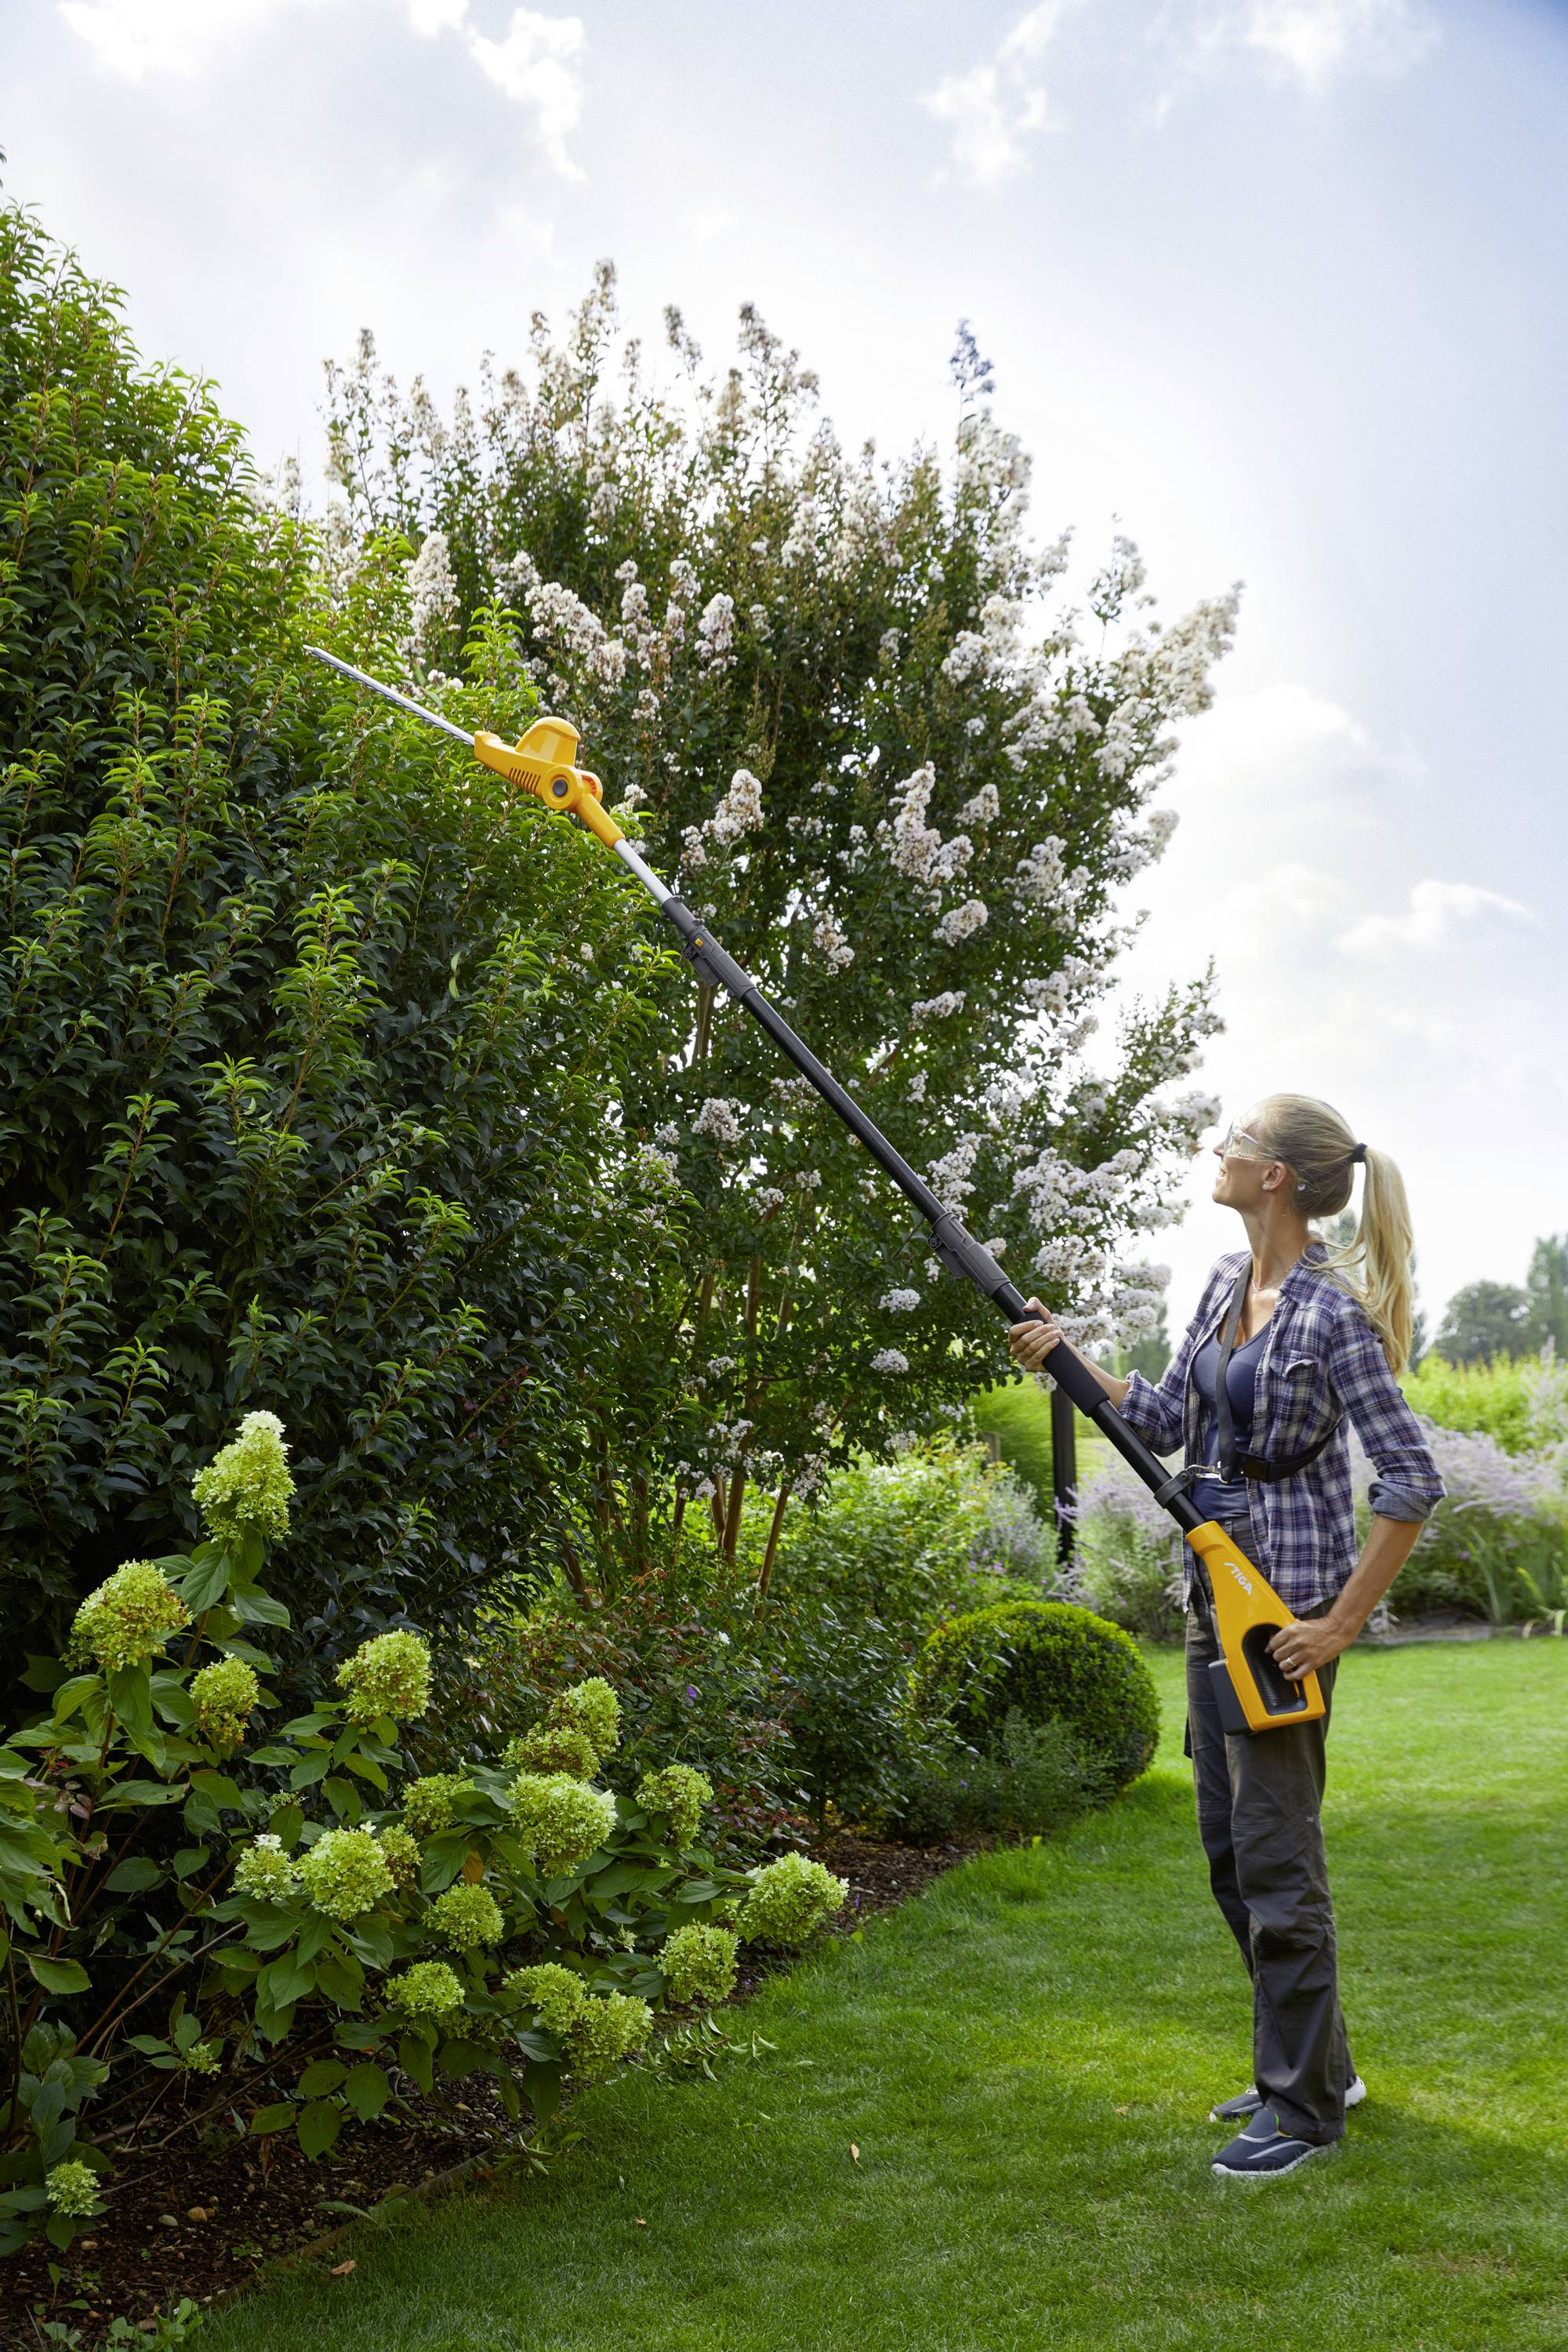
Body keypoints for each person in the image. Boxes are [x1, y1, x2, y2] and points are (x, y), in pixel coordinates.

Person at [1007, 1094, 1443, 2180]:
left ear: (1280, 1177)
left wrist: (1338, 1624)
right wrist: (1069, 1361)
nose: (1219, 1151)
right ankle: (1318, 2068)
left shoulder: (1332, 1314)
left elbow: (1410, 1478)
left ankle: (1301, 2115)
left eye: (1237, 1141)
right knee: (1231, 1862)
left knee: (1279, 1865)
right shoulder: (1219, 1284)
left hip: (1281, 1624)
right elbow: (1162, 1420)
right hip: (1215, 1609)